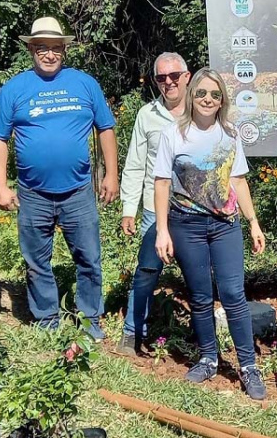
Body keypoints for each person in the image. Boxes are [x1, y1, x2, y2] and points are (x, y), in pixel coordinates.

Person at [0, 17, 119, 339]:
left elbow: (106, 128)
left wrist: (112, 174)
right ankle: (47, 320)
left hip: (78, 192)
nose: (49, 54)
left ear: (64, 49)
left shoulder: (84, 83)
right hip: (33, 193)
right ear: (31, 49)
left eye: (56, 48)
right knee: (36, 262)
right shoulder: (15, 88)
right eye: (42, 48)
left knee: (89, 259)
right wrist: (1, 185)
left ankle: (90, 319)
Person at [153, 69, 267, 400]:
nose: (207, 99)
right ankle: (208, 358)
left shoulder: (229, 134)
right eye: (201, 93)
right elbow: (161, 183)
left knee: (233, 293)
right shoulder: (173, 134)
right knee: (201, 296)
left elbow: (239, 180)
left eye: (214, 95)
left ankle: (248, 366)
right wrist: (162, 231)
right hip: (185, 225)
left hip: (225, 226)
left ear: (222, 101)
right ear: (191, 96)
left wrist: (254, 222)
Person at [116, 52, 192, 356]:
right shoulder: (147, 114)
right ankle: (132, 333)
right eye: (161, 78)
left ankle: (202, 338)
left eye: (174, 76)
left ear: (187, 76)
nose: (168, 82)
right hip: (152, 207)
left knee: (197, 273)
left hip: (192, 208)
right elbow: (135, 164)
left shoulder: (202, 111)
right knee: (147, 270)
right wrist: (128, 209)